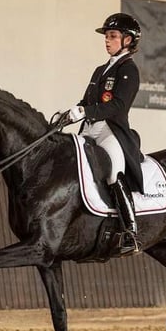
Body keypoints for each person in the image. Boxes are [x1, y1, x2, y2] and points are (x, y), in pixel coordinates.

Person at [67, 13, 144, 255]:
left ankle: (130, 232)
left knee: (113, 172)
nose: (107, 41)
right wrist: (71, 112)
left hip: (111, 131)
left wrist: (86, 111)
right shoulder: (100, 70)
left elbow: (118, 106)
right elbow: (87, 100)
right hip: (90, 129)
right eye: (107, 37)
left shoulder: (129, 70)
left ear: (128, 40)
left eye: (112, 36)